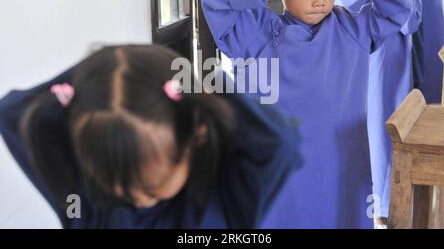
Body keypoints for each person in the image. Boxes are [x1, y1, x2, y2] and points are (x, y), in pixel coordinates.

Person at [201, 0, 419, 228]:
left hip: (340, 167)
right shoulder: (256, 36)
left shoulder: (352, 28)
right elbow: (213, 2)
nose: (320, 0)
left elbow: (399, 10)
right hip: (277, 172)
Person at [0, 44, 302, 229]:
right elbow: (10, 113)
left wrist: (218, 86)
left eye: (153, 187)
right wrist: (98, 77)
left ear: (195, 136)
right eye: (119, 187)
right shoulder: (88, 207)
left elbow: (281, 143)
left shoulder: (225, 202)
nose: (138, 200)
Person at [336, 0, 422, 227]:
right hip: (352, 75)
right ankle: (354, 212)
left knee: (387, 140)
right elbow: (336, 18)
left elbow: (411, 24)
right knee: (354, 140)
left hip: (391, 75)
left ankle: (386, 211)